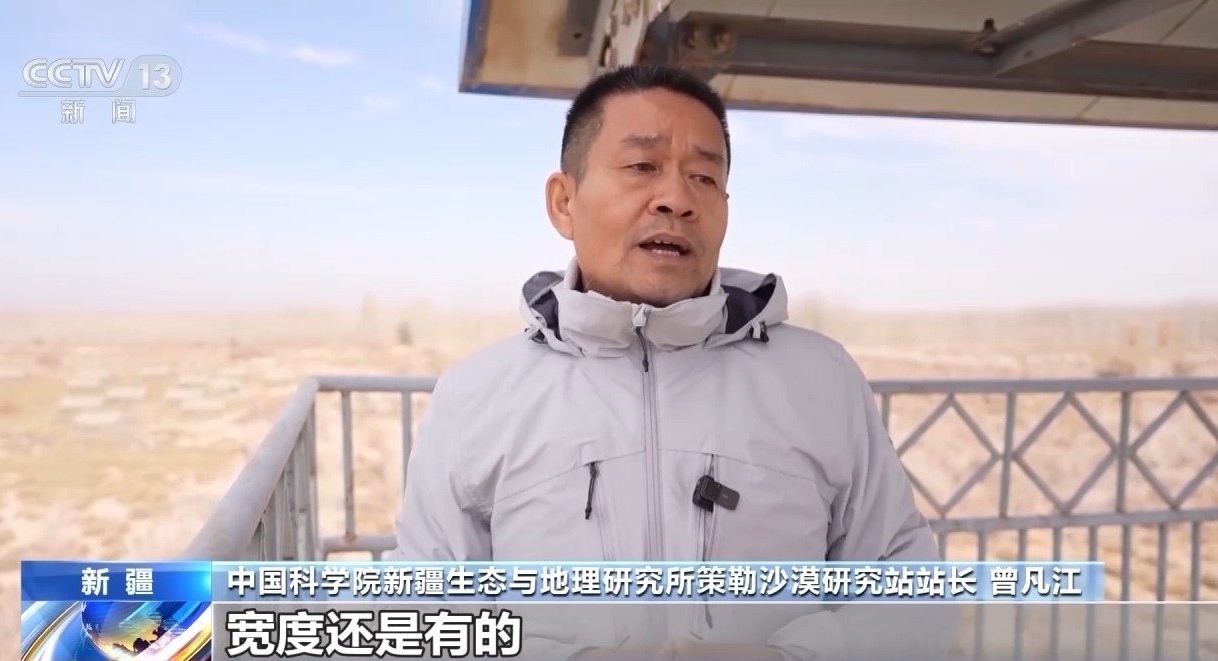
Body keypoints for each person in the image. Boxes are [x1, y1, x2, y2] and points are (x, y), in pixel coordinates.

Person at [390, 64, 957, 660]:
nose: (678, 200)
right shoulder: (477, 395)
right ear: (564, 201)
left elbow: (910, 592)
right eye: (642, 166)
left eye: (704, 177)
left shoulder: (820, 379)